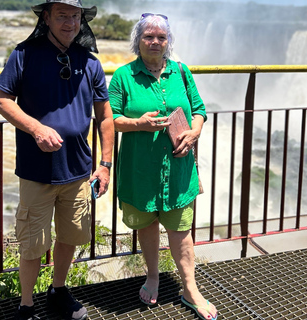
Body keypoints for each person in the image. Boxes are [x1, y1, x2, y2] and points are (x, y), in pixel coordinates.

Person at [0, 1, 114, 319]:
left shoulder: (90, 63)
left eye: (75, 16)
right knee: (33, 243)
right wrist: (35, 128)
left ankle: (58, 290)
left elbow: (104, 116)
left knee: (71, 235)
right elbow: (3, 101)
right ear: (46, 18)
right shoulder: (25, 54)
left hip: (78, 171)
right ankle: (26, 305)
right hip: (37, 172)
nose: (70, 22)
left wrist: (105, 164)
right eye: (62, 15)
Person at [108, 13, 218, 320]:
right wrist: (138, 123)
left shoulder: (181, 72)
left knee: (181, 229)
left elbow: (198, 109)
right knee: (146, 225)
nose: (155, 42)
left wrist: (195, 131)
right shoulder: (124, 76)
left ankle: (190, 289)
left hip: (178, 170)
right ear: (138, 41)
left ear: (168, 42)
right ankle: (153, 276)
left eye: (161, 37)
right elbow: (111, 119)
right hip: (140, 169)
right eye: (148, 37)